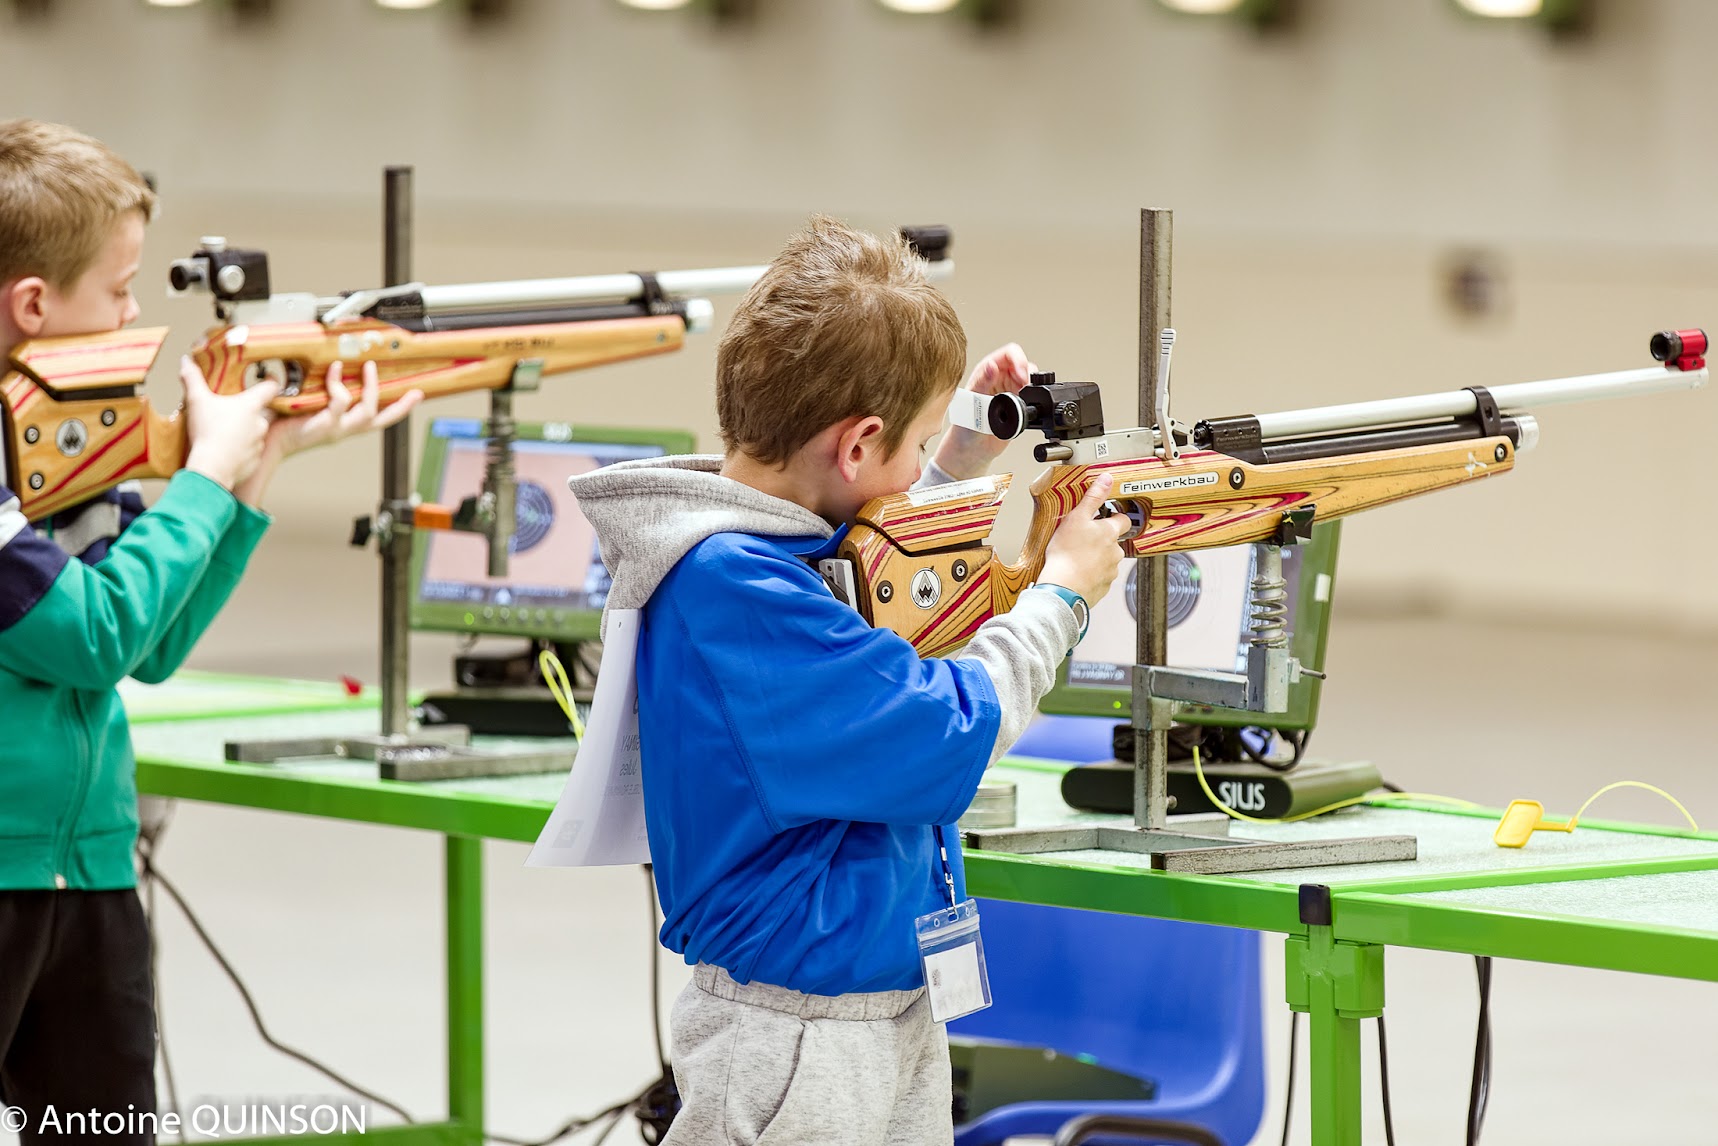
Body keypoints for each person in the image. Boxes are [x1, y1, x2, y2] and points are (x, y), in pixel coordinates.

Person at [568, 215, 1131, 1145]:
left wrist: (954, 460)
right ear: (860, 444)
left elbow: (881, 584)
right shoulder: (735, 587)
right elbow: (945, 729)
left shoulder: (780, 547)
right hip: (794, 1039)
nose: (917, 469)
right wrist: (1062, 596)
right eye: (914, 445)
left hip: (875, 1005)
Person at [0, 118, 419, 1141]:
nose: (134, 314)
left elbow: (150, 648)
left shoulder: (55, 442)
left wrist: (249, 475)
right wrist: (201, 478)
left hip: (88, 867)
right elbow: (94, 636)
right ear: (33, 304)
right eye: (120, 289)